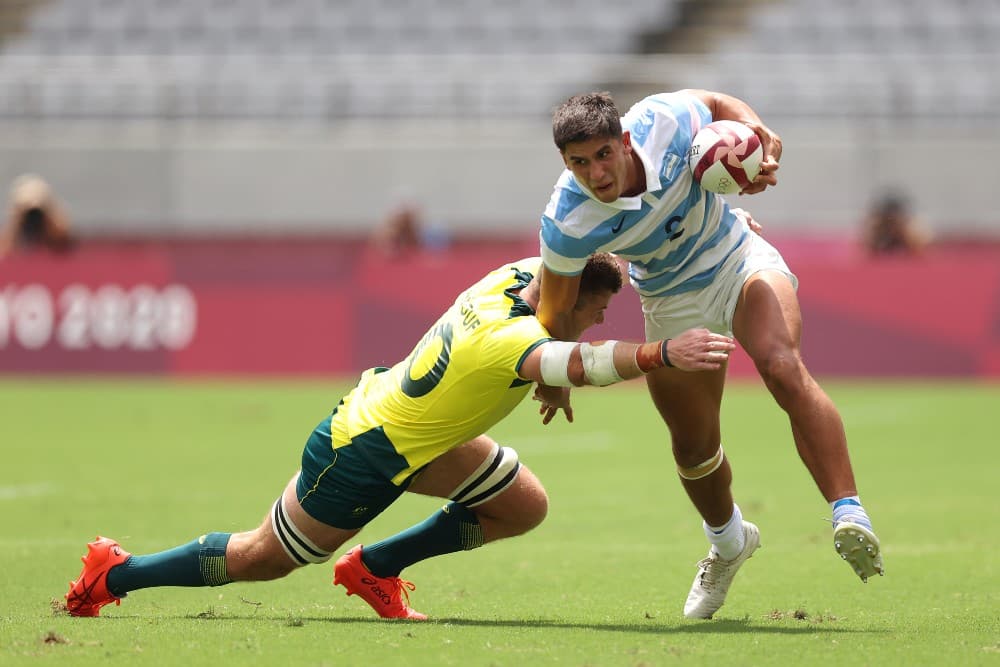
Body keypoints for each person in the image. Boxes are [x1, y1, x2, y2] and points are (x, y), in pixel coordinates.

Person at [65, 253, 735, 620]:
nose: (598, 317)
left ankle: (374, 567)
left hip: (417, 433)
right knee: (264, 556)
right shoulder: (510, 339)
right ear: (572, 298)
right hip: (364, 449)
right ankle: (116, 572)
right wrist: (660, 352)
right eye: (598, 308)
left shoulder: (517, 276)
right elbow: (581, 363)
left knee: (521, 503)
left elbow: (562, 308)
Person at [534, 90, 883, 620]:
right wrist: (554, 375)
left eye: (604, 154)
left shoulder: (660, 121)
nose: (596, 173)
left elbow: (718, 103)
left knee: (782, 365)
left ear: (624, 140)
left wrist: (759, 134)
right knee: (693, 449)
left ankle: (848, 511)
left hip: (736, 256)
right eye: (578, 163)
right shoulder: (567, 221)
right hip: (671, 299)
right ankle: (728, 544)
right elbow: (556, 310)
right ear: (565, 163)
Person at [0, 173, 75, 260]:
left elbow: (65, 243)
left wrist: (49, 219)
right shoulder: (15, 234)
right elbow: (4, 252)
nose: (33, 216)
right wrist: (16, 224)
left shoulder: (54, 227)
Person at [861, 190, 930, 256]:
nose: (891, 226)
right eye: (888, 221)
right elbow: (868, 243)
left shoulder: (909, 230)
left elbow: (919, 244)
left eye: (894, 221)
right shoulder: (875, 229)